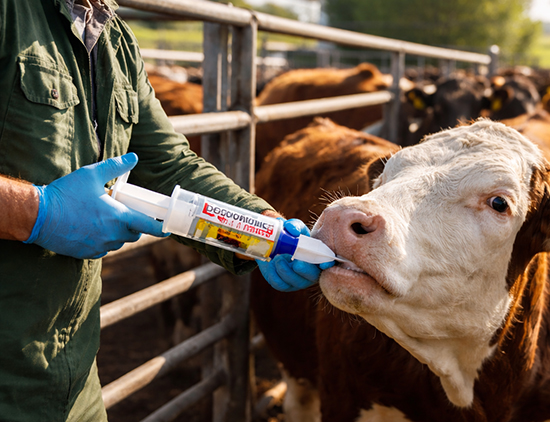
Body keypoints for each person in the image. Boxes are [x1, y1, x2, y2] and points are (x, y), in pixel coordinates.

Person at [0, 0, 330, 420]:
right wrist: (36, 212)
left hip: (71, 374)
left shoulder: (113, 39)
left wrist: (259, 229)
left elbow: (166, 164)